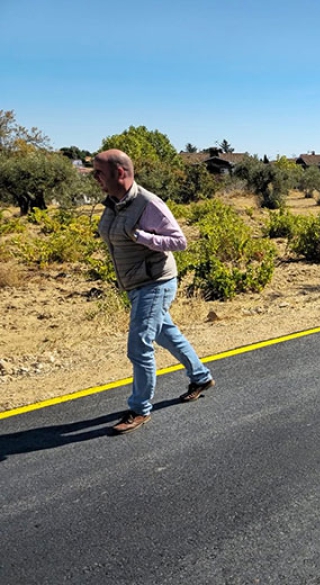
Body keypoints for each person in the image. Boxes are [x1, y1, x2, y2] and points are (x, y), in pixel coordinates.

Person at [94, 149, 215, 434]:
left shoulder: (148, 204)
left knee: (139, 345)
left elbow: (179, 241)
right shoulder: (113, 203)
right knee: (166, 333)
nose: (96, 178)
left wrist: (142, 237)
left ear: (120, 173)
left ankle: (139, 409)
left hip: (155, 282)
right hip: (136, 283)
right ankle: (200, 376)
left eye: (100, 173)